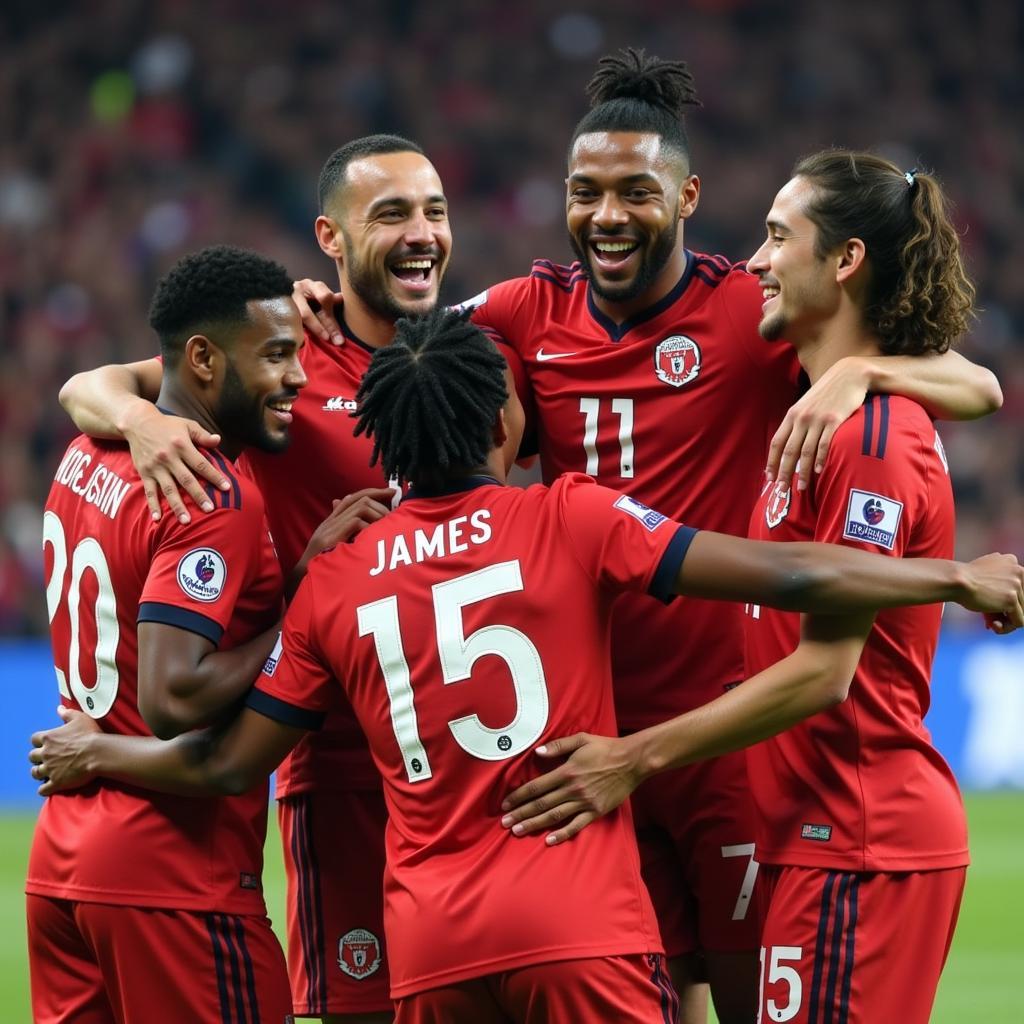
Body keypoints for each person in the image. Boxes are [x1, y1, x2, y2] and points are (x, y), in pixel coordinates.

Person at [59, 57, 1002, 1024]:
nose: (609, 216)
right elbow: (135, 377)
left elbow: (977, 386)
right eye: (586, 193)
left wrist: (858, 379)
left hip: (716, 741)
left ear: (686, 196)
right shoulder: (508, 315)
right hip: (548, 753)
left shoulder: (747, 316)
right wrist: (131, 412)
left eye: (636, 192)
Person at [498, 151, 1020, 1024]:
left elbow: (827, 672)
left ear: (845, 261)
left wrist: (634, 757)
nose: (755, 260)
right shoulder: (811, 415)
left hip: (857, 833)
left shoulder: (871, 439)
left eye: (779, 237)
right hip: (810, 832)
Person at [56, 133, 449, 1024]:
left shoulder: (478, 355)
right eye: (391, 214)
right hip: (341, 762)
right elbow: (93, 383)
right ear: (332, 239)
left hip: (467, 748)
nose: (421, 232)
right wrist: (138, 420)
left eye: (434, 211)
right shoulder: (285, 352)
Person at [28, 245, 310, 1024]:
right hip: (172, 877)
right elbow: (174, 695)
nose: (298, 378)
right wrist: (305, 615)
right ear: (204, 359)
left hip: (61, 861)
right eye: (277, 356)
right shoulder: (207, 489)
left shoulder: (87, 449)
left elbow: (89, 388)